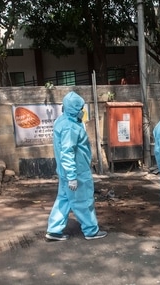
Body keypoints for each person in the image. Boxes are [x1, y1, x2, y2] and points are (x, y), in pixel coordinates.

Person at [45, 91, 107, 241]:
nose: (82, 111)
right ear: (74, 109)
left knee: (64, 200)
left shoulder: (63, 120)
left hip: (66, 172)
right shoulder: (70, 127)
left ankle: (54, 230)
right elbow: (67, 152)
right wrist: (72, 176)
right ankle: (91, 230)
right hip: (77, 172)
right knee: (83, 201)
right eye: (80, 109)